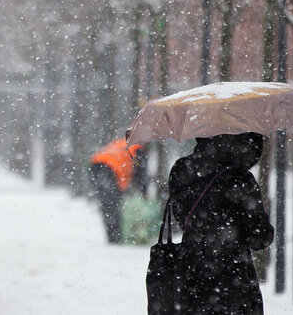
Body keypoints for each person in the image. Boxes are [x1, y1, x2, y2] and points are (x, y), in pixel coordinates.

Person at [166, 132, 274, 314]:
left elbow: (182, 218)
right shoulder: (240, 179)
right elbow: (260, 238)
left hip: (189, 279)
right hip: (235, 285)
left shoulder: (181, 170)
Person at [89, 139, 144, 244]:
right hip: (109, 168)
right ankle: (115, 238)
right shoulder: (138, 149)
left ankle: (113, 235)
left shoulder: (125, 143)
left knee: (107, 204)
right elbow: (141, 175)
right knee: (112, 204)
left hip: (96, 164)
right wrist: (144, 193)